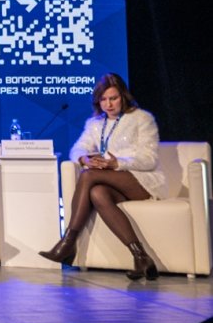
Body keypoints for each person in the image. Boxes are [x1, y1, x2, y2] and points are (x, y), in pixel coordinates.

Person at [39, 73, 164, 280]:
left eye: (113, 98)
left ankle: (68, 243)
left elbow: (149, 159)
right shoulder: (95, 123)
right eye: (103, 99)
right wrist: (84, 159)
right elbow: (78, 149)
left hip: (142, 180)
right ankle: (141, 257)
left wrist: (117, 163)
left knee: (88, 176)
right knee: (97, 193)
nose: (108, 104)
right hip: (112, 181)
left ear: (123, 96)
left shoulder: (142, 118)